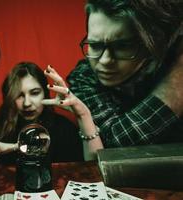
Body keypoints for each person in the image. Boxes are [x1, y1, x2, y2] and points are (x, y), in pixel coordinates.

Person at [43, 0, 183, 160]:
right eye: (95, 45)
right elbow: (112, 148)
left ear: (152, 44)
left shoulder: (166, 58)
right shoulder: (83, 76)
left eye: (122, 46)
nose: (104, 61)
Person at [0, 62, 83, 163]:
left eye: (34, 93)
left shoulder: (64, 129)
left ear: (45, 94)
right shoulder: (3, 129)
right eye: (19, 95)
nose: (27, 103)